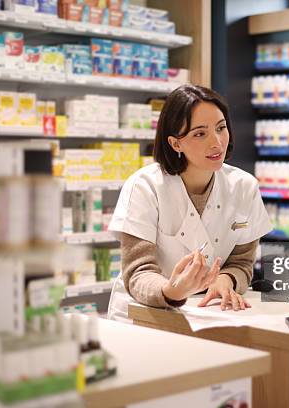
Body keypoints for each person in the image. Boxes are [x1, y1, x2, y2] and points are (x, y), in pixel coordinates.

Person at [107, 85, 272, 322]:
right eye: (200, 133)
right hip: (145, 315)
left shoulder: (244, 187)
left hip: (212, 312)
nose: (216, 142)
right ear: (175, 144)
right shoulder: (144, 187)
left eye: (221, 128)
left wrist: (225, 280)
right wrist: (171, 291)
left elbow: (242, 262)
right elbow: (138, 272)